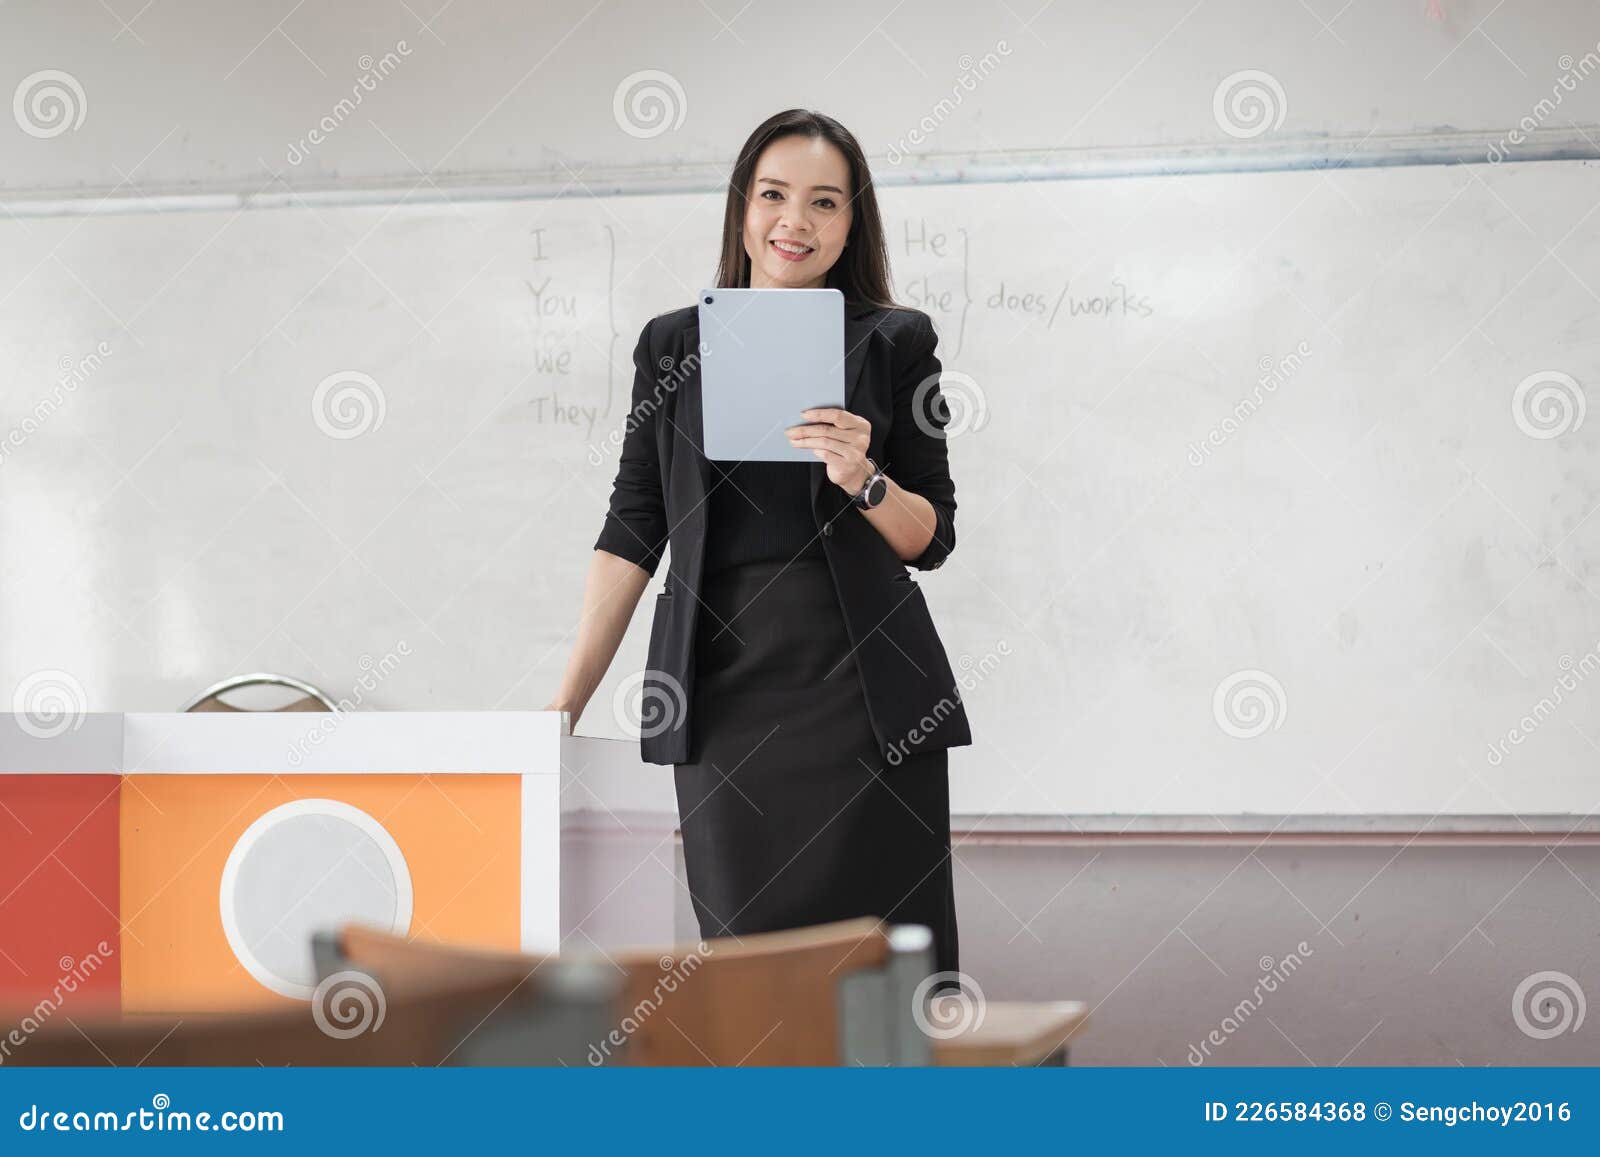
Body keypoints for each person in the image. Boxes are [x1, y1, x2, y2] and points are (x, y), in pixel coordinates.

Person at [549, 109, 971, 985]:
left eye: (825, 202)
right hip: (719, 692)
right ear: (742, 205)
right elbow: (633, 526)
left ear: (853, 222)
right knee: (748, 971)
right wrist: (563, 705)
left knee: (885, 973)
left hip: (865, 694)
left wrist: (864, 477)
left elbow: (932, 537)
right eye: (774, 195)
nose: (795, 222)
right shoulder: (672, 344)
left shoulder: (897, 340)